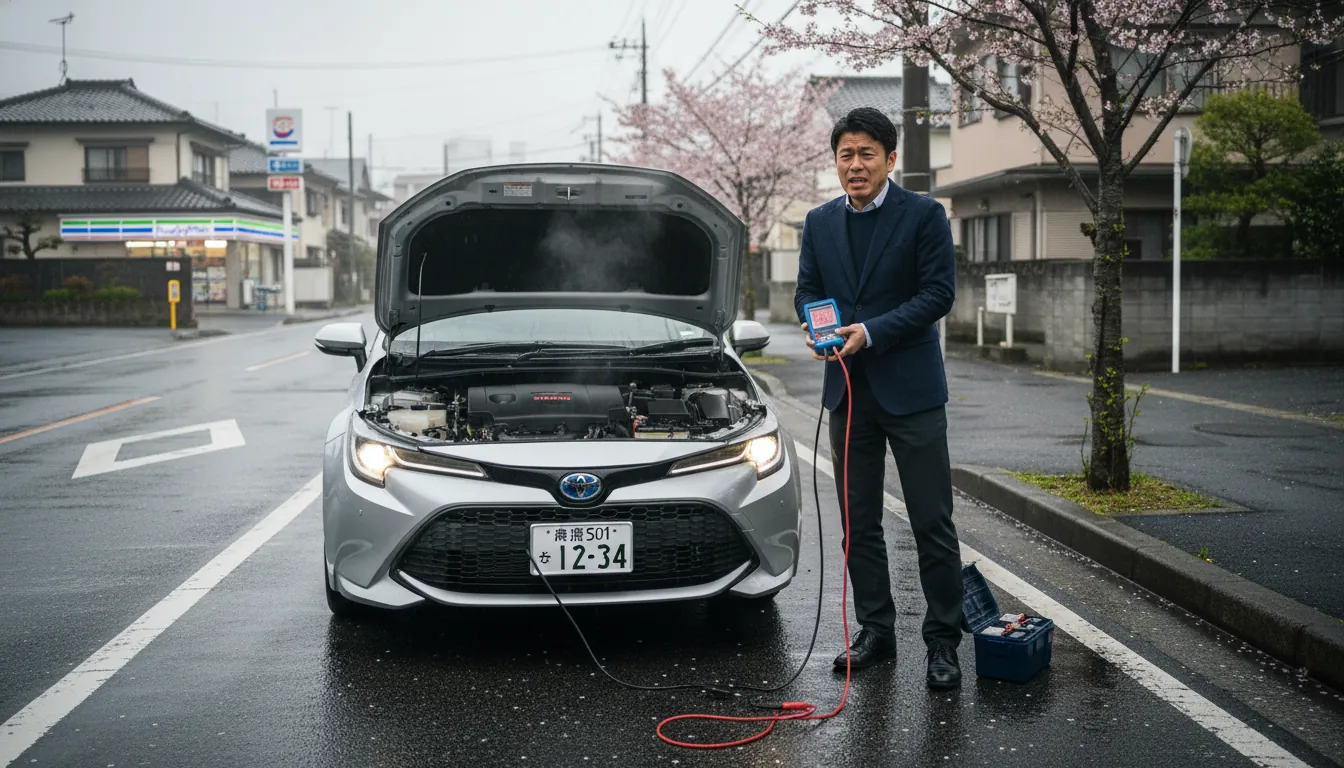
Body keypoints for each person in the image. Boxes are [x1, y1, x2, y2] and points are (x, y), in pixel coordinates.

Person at [794, 107, 963, 689]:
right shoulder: (817, 223)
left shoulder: (924, 215)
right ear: (836, 161)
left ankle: (943, 641)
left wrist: (874, 330)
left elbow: (939, 292)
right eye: (847, 154)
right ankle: (876, 631)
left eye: (868, 153)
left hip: (912, 392)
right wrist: (818, 330)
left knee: (931, 522)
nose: (856, 165)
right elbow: (809, 291)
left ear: (892, 159)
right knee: (858, 522)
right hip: (848, 392)